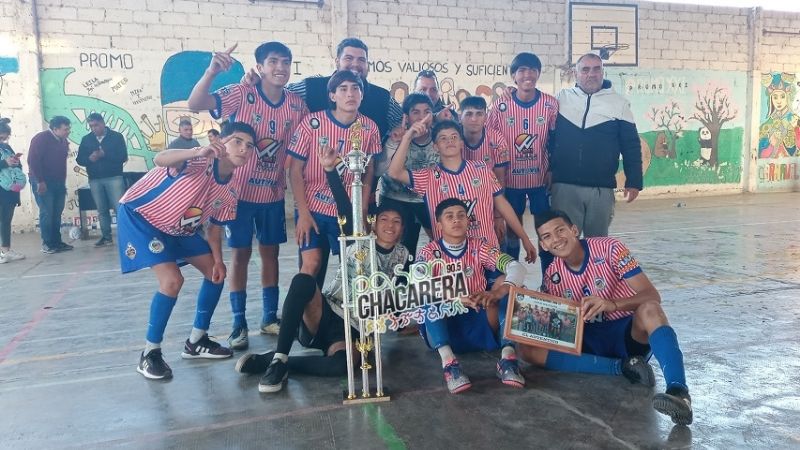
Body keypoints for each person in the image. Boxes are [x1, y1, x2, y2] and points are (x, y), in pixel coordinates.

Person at [235, 145, 412, 394]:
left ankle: (276, 362)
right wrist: (329, 170)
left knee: (343, 366)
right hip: (327, 314)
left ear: (403, 229)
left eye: (396, 222)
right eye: (384, 220)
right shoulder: (358, 240)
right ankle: (279, 359)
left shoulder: (404, 257)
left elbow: (405, 296)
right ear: (373, 224)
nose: (390, 226)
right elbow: (344, 208)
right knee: (304, 281)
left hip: (357, 327)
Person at [518, 209, 693, 425]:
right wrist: (525, 306)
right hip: (588, 338)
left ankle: (678, 392)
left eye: (560, 230)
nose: (556, 239)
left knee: (650, 309)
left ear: (574, 230)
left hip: (626, 333)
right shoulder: (552, 276)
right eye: (547, 236)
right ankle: (623, 367)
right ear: (543, 245)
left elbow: (652, 294)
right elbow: (554, 325)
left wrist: (612, 305)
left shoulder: (610, 249)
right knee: (527, 350)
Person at [188, 42, 308, 349]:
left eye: (286, 61)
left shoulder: (296, 104)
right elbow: (195, 103)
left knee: (271, 254)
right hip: (237, 194)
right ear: (260, 65)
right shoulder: (243, 93)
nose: (280, 67)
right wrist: (212, 70)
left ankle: (270, 316)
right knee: (240, 255)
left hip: (272, 194)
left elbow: (304, 144)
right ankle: (238, 321)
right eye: (273, 61)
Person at [118, 122, 256, 380]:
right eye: (237, 141)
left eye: (249, 146)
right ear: (221, 142)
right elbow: (161, 158)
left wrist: (218, 260)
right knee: (172, 280)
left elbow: (213, 229)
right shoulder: (197, 160)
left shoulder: (231, 189)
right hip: (142, 218)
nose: (243, 149)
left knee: (216, 274)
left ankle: (196, 341)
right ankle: (150, 353)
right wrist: (196, 151)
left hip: (179, 227)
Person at [417, 198, 528, 394]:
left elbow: (515, 266)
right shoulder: (428, 252)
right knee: (426, 295)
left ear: (469, 221)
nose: (456, 220)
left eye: (461, 216)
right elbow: (418, 285)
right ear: (439, 224)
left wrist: (499, 291)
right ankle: (450, 365)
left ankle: (508, 358)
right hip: (446, 325)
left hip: (480, 318)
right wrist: (455, 297)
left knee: (512, 285)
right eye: (449, 216)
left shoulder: (480, 247)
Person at [387, 119, 537, 263]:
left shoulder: (482, 169)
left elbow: (502, 204)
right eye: (443, 138)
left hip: (487, 252)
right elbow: (394, 172)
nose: (449, 141)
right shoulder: (428, 177)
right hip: (450, 260)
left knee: (495, 288)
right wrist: (407, 137)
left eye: (454, 137)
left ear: (461, 143)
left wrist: (524, 237)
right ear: (435, 147)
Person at [287, 70, 381, 280]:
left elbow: (369, 171)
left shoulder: (369, 128)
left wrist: (363, 209)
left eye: (355, 88)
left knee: (353, 269)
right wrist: (302, 213)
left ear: (362, 94)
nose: (350, 94)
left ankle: (343, 313)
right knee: (311, 266)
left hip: (348, 209)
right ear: (332, 95)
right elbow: (294, 170)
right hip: (314, 208)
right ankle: (301, 313)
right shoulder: (312, 123)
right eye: (343, 89)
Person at [549, 53, 643, 237]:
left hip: (602, 189)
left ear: (603, 72)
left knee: (597, 246)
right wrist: (511, 92)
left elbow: (630, 145)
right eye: (585, 69)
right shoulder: (561, 98)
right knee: (565, 243)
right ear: (576, 74)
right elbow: (546, 133)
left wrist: (634, 181)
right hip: (564, 187)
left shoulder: (619, 103)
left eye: (596, 69)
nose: (591, 74)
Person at [487, 52, 558, 261]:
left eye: (533, 70)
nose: (528, 75)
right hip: (510, 180)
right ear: (513, 76)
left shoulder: (550, 104)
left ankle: (549, 280)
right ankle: (511, 279)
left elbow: (554, 140)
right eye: (522, 70)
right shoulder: (500, 106)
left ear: (538, 74)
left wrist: (552, 169)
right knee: (512, 229)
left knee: (544, 228)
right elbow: (490, 141)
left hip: (539, 178)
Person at [375, 93, 437, 255]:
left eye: (427, 112)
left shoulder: (440, 138)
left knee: (442, 242)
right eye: (416, 112)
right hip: (395, 198)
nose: (422, 117)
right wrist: (395, 142)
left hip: (427, 199)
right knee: (402, 251)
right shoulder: (396, 136)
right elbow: (378, 170)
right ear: (407, 117)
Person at [459, 96, 510, 243]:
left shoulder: (496, 140)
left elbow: (500, 181)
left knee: (498, 243)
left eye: (479, 114)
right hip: (458, 199)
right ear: (460, 116)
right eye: (468, 114)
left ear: (486, 116)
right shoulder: (452, 137)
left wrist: (498, 216)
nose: (474, 119)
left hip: (487, 199)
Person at [76, 112, 128, 247]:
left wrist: (105, 154)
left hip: (114, 177)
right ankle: (106, 237)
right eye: (91, 126)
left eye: (96, 125)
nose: (94, 129)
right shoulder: (86, 139)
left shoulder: (116, 137)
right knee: (101, 209)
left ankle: (126, 236)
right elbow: (79, 159)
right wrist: (89, 159)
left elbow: (123, 156)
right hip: (95, 179)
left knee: (119, 208)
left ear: (103, 123)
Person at [28, 115, 73, 254]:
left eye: (68, 129)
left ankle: (56, 241)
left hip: (58, 182)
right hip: (42, 181)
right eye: (65, 129)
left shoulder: (63, 141)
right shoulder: (40, 139)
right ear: (55, 129)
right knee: (47, 212)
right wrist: (40, 181)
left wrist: (62, 182)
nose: (68, 132)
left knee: (57, 213)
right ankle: (47, 243)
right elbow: (33, 161)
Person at [0, 118, 25, 263]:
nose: (3, 140)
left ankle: (6, 249)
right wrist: (4, 163)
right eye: (1, 137)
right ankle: (4, 252)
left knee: (6, 220)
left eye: (5, 137)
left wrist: (15, 163)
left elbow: (18, 166)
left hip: (9, 189)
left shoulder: (7, 147)